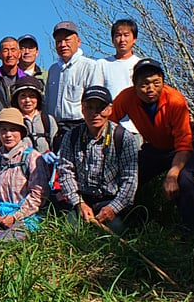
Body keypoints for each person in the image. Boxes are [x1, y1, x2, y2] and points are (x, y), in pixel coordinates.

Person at [109, 59, 194, 236]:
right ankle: (129, 222)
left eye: (156, 83)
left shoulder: (175, 100)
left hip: (187, 144)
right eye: (144, 84)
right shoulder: (126, 97)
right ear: (135, 85)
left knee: (183, 179)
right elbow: (110, 124)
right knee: (129, 175)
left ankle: (193, 234)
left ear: (162, 81)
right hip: (156, 147)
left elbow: (184, 144)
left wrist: (172, 173)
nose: (150, 89)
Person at [58, 86, 138, 234]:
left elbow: (130, 180)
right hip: (83, 199)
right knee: (69, 232)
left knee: (116, 232)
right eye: (89, 107)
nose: (95, 114)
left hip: (111, 200)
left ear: (109, 110)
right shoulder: (71, 136)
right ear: (82, 109)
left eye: (101, 108)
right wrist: (78, 202)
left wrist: (113, 208)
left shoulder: (124, 137)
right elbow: (65, 172)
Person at [0, 108, 49, 241]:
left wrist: (15, 217)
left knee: (2, 244)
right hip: (1, 216)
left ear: (21, 132)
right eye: (4, 130)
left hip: (26, 216)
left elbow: (39, 195)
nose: (8, 134)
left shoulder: (32, 157)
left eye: (13, 129)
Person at [44, 21, 106, 149]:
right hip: (56, 130)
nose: (63, 45)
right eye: (58, 41)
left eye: (67, 40)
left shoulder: (90, 66)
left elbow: (95, 102)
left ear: (78, 41)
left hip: (81, 127)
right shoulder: (53, 70)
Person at [103, 19, 142, 137]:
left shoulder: (140, 64)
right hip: (108, 128)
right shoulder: (102, 64)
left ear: (134, 39)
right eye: (118, 35)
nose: (122, 39)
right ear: (113, 39)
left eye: (126, 35)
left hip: (135, 127)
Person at [11, 76, 57, 153]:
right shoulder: (13, 120)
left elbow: (55, 144)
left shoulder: (48, 120)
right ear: (16, 99)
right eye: (23, 96)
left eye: (32, 96)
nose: (27, 100)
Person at [0, 36, 27, 113]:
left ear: (19, 54)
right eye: (5, 50)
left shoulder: (26, 80)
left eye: (13, 50)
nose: (10, 54)